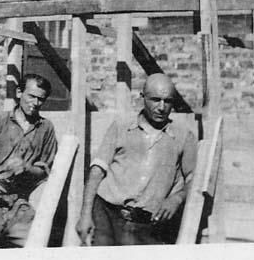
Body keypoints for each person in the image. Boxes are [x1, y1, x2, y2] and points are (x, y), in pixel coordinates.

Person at [76, 73, 197, 246]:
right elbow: (97, 171)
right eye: (155, 99)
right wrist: (85, 215)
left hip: (147, 226)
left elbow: (193, 178)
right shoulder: (121, 127)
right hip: (106, 215)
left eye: (168, 101)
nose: (162, 107)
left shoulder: (183, 136)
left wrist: (176, 199)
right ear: (143, 98)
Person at [0, 74, 58, 248]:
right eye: (31, 96)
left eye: (40, 99)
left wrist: (26, 168)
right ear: (20, 93)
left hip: (17, 205)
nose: (35, 103)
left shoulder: (46, 128)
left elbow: (44, 171)